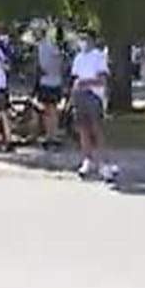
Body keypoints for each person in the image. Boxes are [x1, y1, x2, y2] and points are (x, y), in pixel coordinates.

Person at [70, 30, 118, 181]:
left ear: (91, 40)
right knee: (83, 129)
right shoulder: (78, 58)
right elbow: (75, 78)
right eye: (80, 38)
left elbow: (102, 79)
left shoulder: (98, 56)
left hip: (94, 96)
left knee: (96, 129)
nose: (82, 42)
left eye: (85, 38)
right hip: (80, 96)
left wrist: (86, 83)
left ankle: (104, 164)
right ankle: (87, 160)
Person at [35, 25, 66, 148]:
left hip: (51, 81)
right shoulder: (42, 46)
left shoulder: (48, 46)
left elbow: (56, 61)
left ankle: (53, 135)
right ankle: (49, 135)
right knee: (48, 110)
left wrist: (48, 70)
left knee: (52, 110)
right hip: (47, 81)